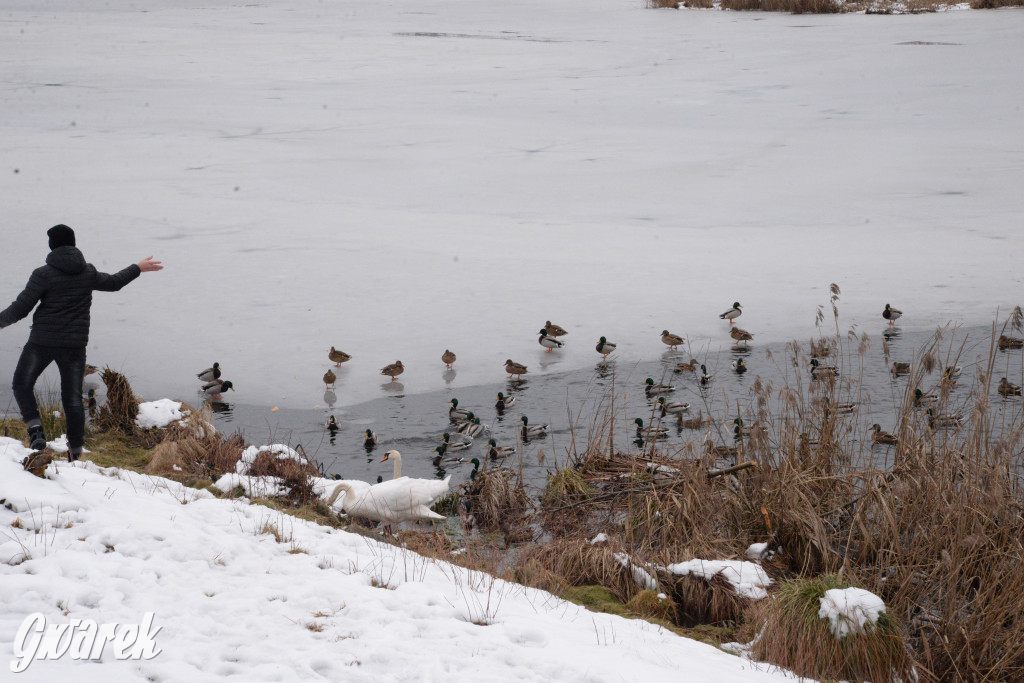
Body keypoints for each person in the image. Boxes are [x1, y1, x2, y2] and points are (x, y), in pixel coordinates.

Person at [0, 224, 163, 459]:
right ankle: (75, 452)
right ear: (74, 244)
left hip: (42, 341)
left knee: (22, 384)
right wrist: (138, 267)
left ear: (52, 246)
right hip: (74, 346)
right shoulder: (87, 272)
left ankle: (35, 429)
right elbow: (115, 282)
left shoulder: (43, 274)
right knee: (72, 398)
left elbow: (21, 308)